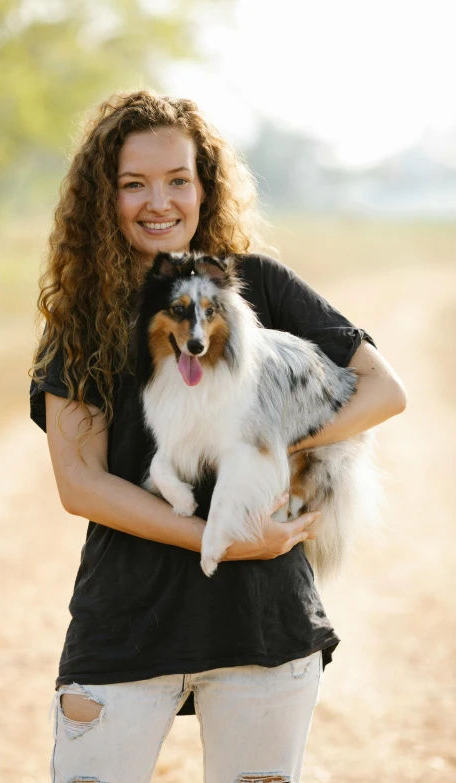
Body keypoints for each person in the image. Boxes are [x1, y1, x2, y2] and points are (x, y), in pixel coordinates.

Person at [29, 89, 406, 783]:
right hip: (125, 624)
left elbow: (385, 390)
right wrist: (219, 538)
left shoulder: (258, 285)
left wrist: (266, 450)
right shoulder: (82, 316)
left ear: (205, 185)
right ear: (101, 197)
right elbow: (80, 482)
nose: (159, 202)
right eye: (133, 184)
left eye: (178, 179)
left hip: (262, 624)